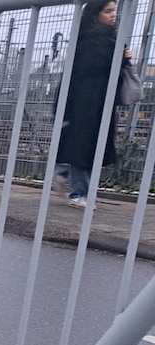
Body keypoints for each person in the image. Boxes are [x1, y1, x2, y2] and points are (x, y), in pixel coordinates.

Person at [56, 0, 132, 208]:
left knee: (89, 148)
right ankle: (79, 193)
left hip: (100, 104)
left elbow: (113, 76)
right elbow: (89, 70)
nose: (113, 15)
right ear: (95, 14)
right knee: (83, 148)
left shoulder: (111, 40)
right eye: (108, 11)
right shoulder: (88, 41)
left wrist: (123, 59)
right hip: (84, 104)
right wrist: (118, 58)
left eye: (114, 11)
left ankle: (64, 172)